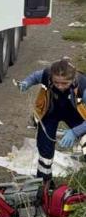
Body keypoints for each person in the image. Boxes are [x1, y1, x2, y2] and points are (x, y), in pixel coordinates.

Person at [18, 58, 86, 186]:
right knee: (45, 147)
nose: (60, 86)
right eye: (56, 82)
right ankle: (45, 183)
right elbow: (35, 77)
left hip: (74, 114)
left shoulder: (83, 85)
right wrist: (26, 83)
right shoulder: (47, 74)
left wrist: (74, 132)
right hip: (51, 112)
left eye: (65, 83)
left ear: (73, 79)